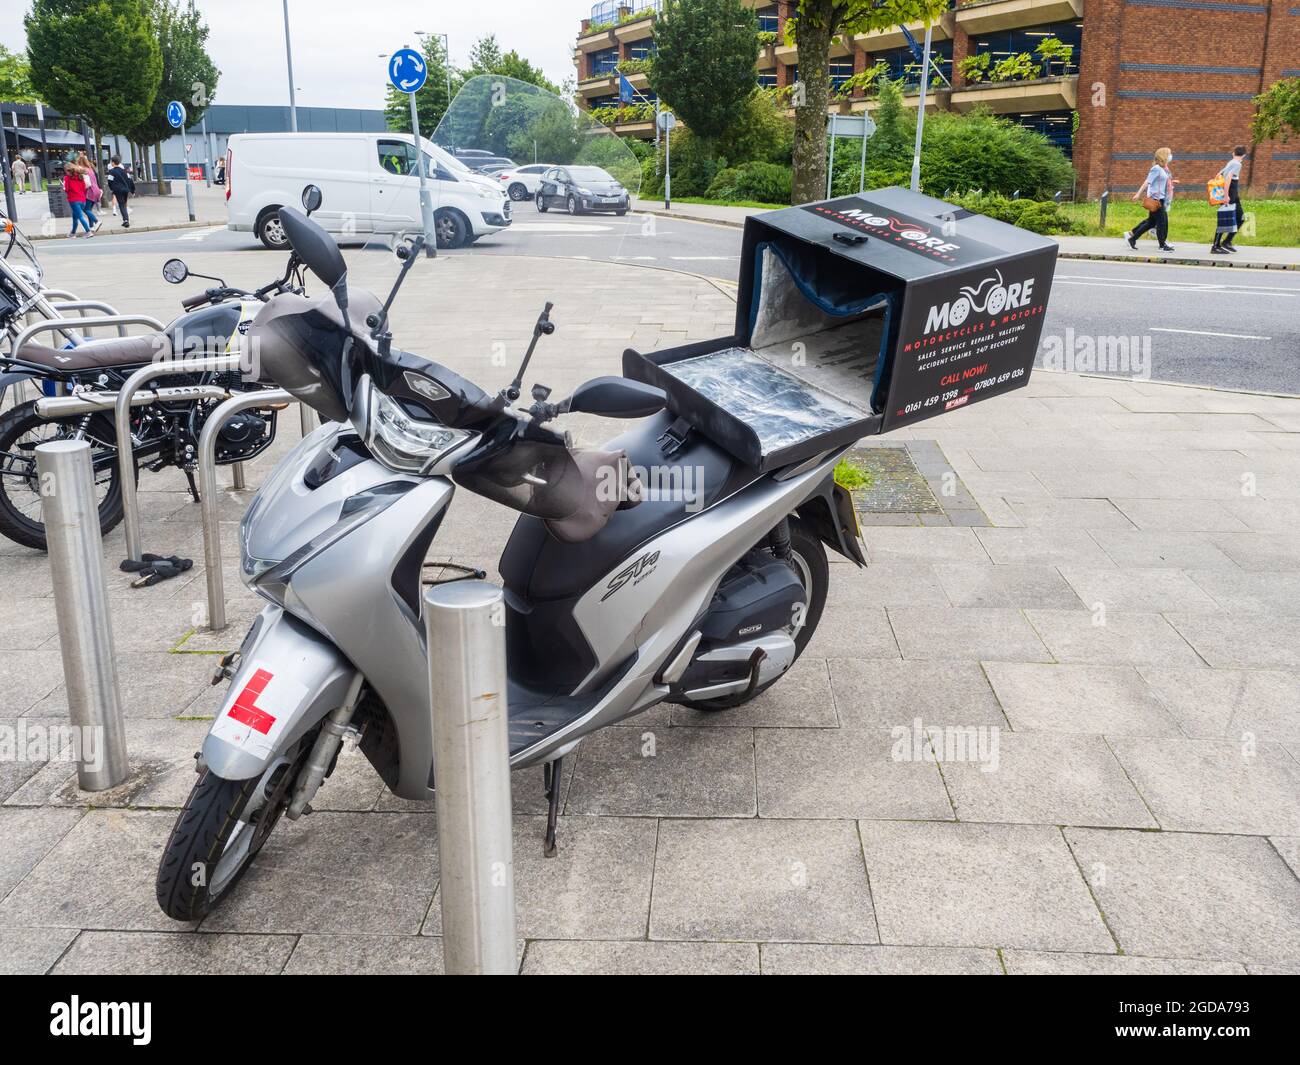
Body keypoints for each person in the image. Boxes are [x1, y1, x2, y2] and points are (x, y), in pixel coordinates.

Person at [1125, 147, 1178, 253]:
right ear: (1164, 156)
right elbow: (1148, 181)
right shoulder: (1156, 168)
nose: (1170, 156)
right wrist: (1138, 194)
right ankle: (1162, 246)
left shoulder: (1162, 169)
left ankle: (1132, 239)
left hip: (1159, 199)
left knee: (1150, 223)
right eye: (1169, 154)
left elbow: (1160, 182)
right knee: (1162, 222)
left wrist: (1172, 183)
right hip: (1156, 200)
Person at [1211, 145, 1247, 254]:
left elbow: (1218, 175)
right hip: (1230, 195)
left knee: (1240, 218)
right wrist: (1226, 196)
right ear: (1244, 155)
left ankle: (1227, 242)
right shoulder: (1237, 164)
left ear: (1233, 153)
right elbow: (1228, 178)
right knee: (1225, 219)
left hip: (1234, 195)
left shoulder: (1231, 162)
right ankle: (1215, 246)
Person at [63, 162, 95, 237]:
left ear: (68, 170)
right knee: (75, 217)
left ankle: (88, 231)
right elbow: (84, 187)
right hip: (82, 199)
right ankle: (73, 233)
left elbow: (66, 189)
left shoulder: (67, 178)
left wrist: (64, 187)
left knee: (80, 216)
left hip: (74, 200)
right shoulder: (80, 177)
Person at [106, 154, 134, 228]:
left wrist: (112, 189)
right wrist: (132, 190)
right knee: (123, 204)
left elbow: (109, 181)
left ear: (113, 162)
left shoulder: (111, 172)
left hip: (118, 190)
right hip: (125, 190)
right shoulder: (125, 171)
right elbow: (130, 181)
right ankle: (126, 220)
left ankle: (126, 220)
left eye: (111, 162)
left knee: (121, 205)